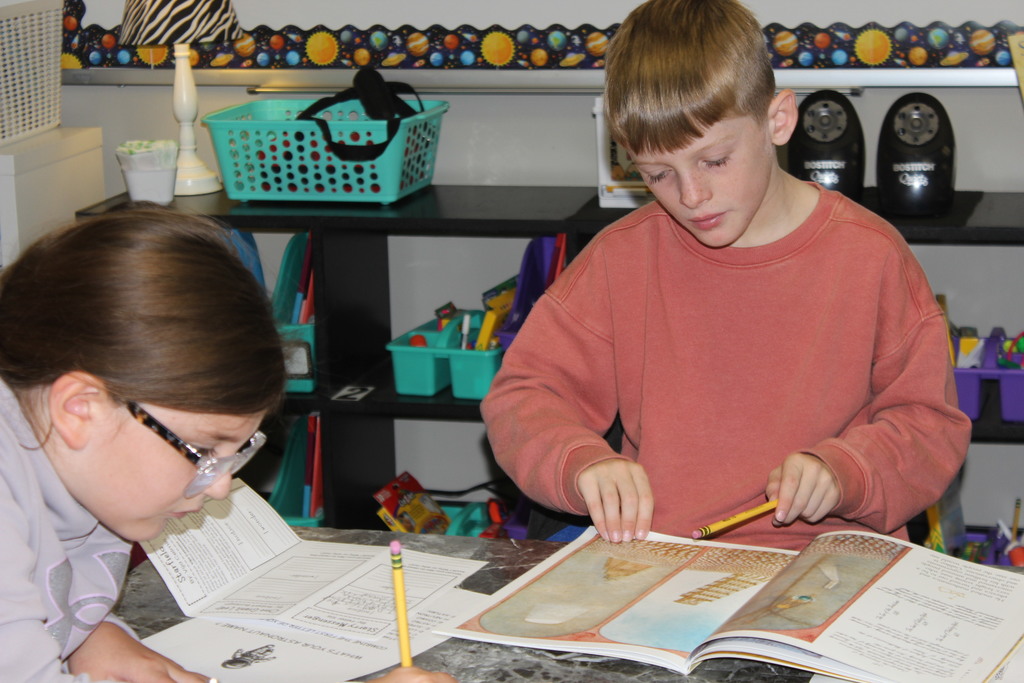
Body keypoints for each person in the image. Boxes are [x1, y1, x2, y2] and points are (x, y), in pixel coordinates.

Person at [481, 0, 971, 551]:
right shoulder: (622, 258)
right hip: (665, 557)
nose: (692, 196)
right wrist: (580, 462)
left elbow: (929, 428)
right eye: (658, 174)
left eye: (714, 161)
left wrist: (847, 471)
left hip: (829, 560)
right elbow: (525, 396)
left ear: (777, 120)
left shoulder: (871, 255)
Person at [0, 208, 455, 683]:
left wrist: (90, 635)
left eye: (238, 452)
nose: (220, 488)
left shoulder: (87, 471)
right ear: (80, 409)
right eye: (201, 451)